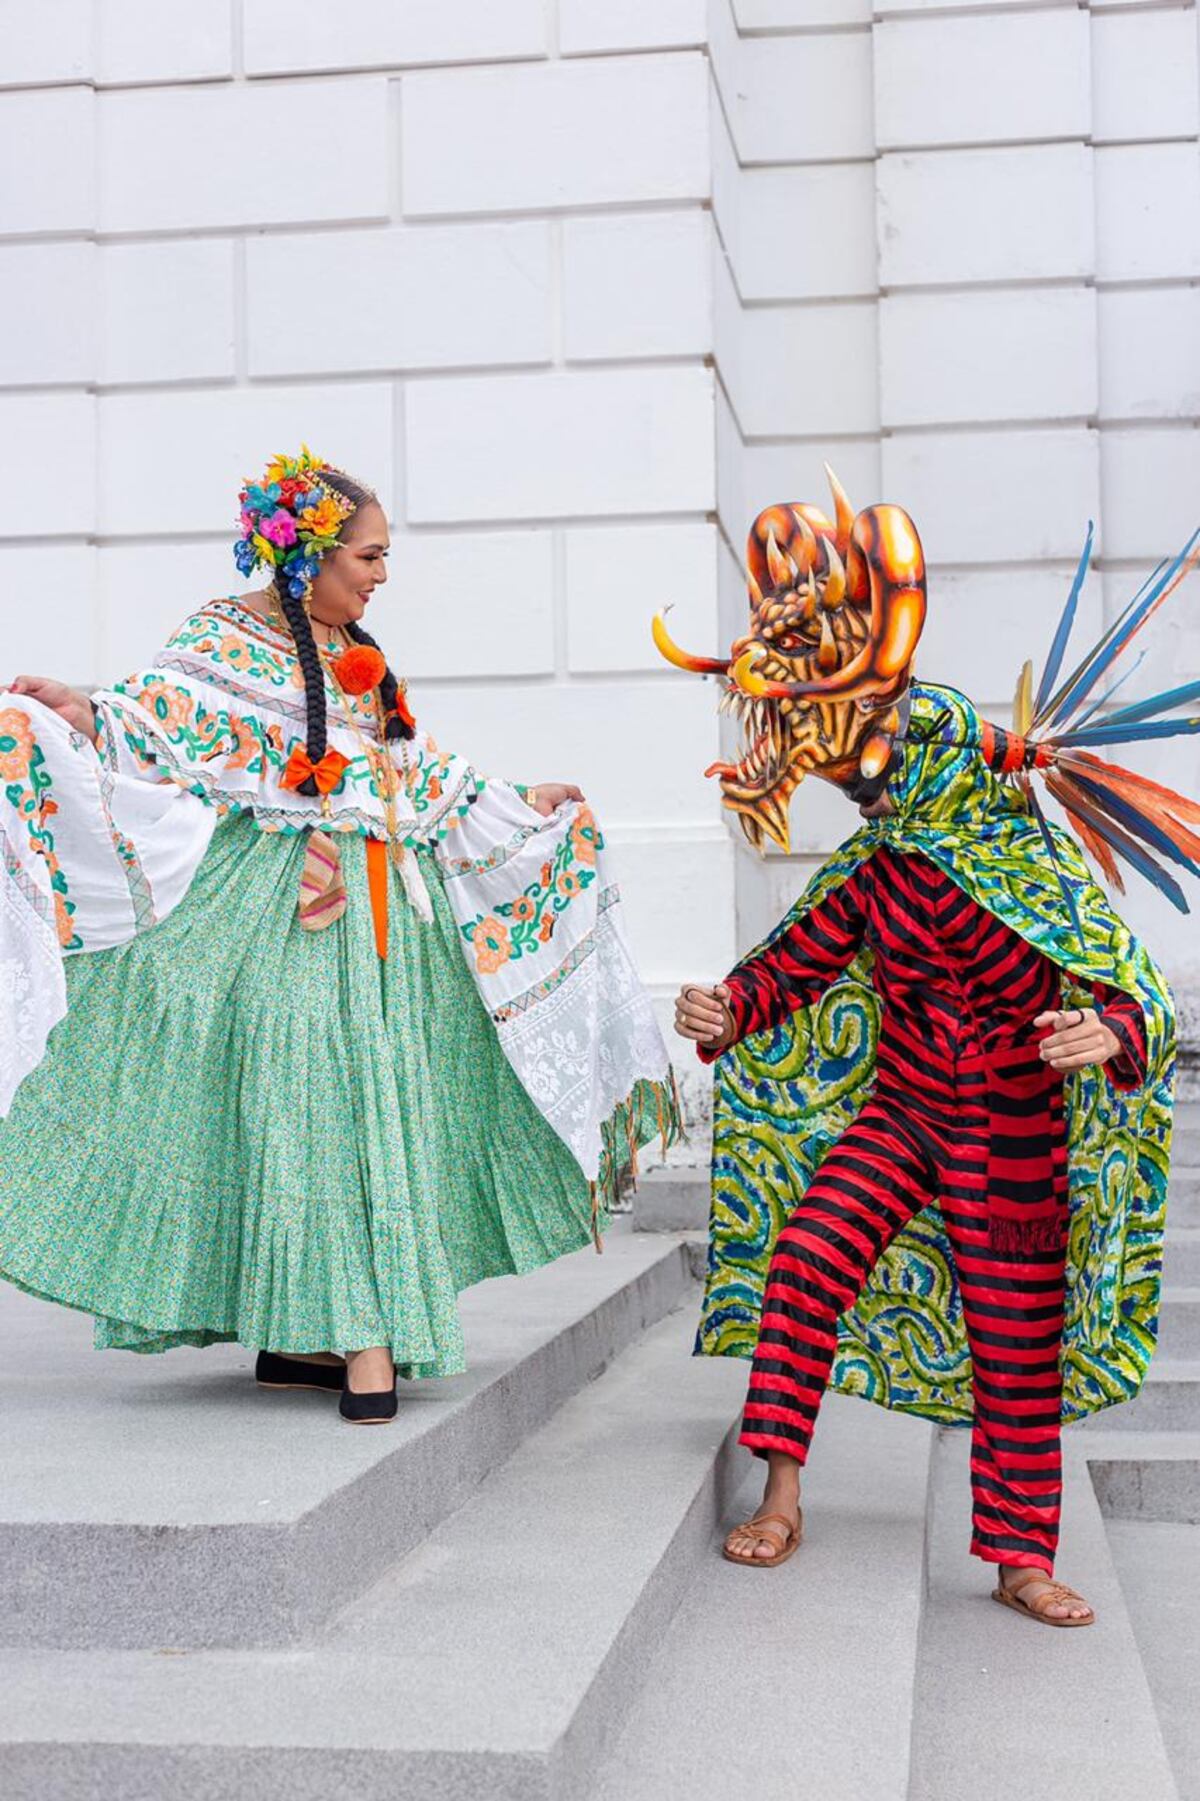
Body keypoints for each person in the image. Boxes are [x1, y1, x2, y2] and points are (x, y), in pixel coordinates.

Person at [0, 448, 677, 1424]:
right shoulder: (229, 642)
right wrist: (80, 708)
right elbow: (159, 718)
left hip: (379, 917)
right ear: (308, 554)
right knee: (321, 1109)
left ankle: (308, 1336)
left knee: (354, 1105)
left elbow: (409, 773)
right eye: (368, 555)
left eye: (383, 557)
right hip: (282, 915)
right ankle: (363, 1342)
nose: (381, 574)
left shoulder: (360, 660)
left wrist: (519, 802)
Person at [659, 471, 1189, 1627]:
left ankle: (1019, 1558)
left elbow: (1143, 993)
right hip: (902, 1120)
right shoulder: (876, 870)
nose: (869, 765)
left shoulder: (1033, 869)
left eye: (894, 743)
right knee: (805, 1261)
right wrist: (727, 1009)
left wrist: (1111, 1029)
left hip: (1012, 1142)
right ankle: (784, 1489)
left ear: (943, 755)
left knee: (1015, 1346)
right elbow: (788, 967)